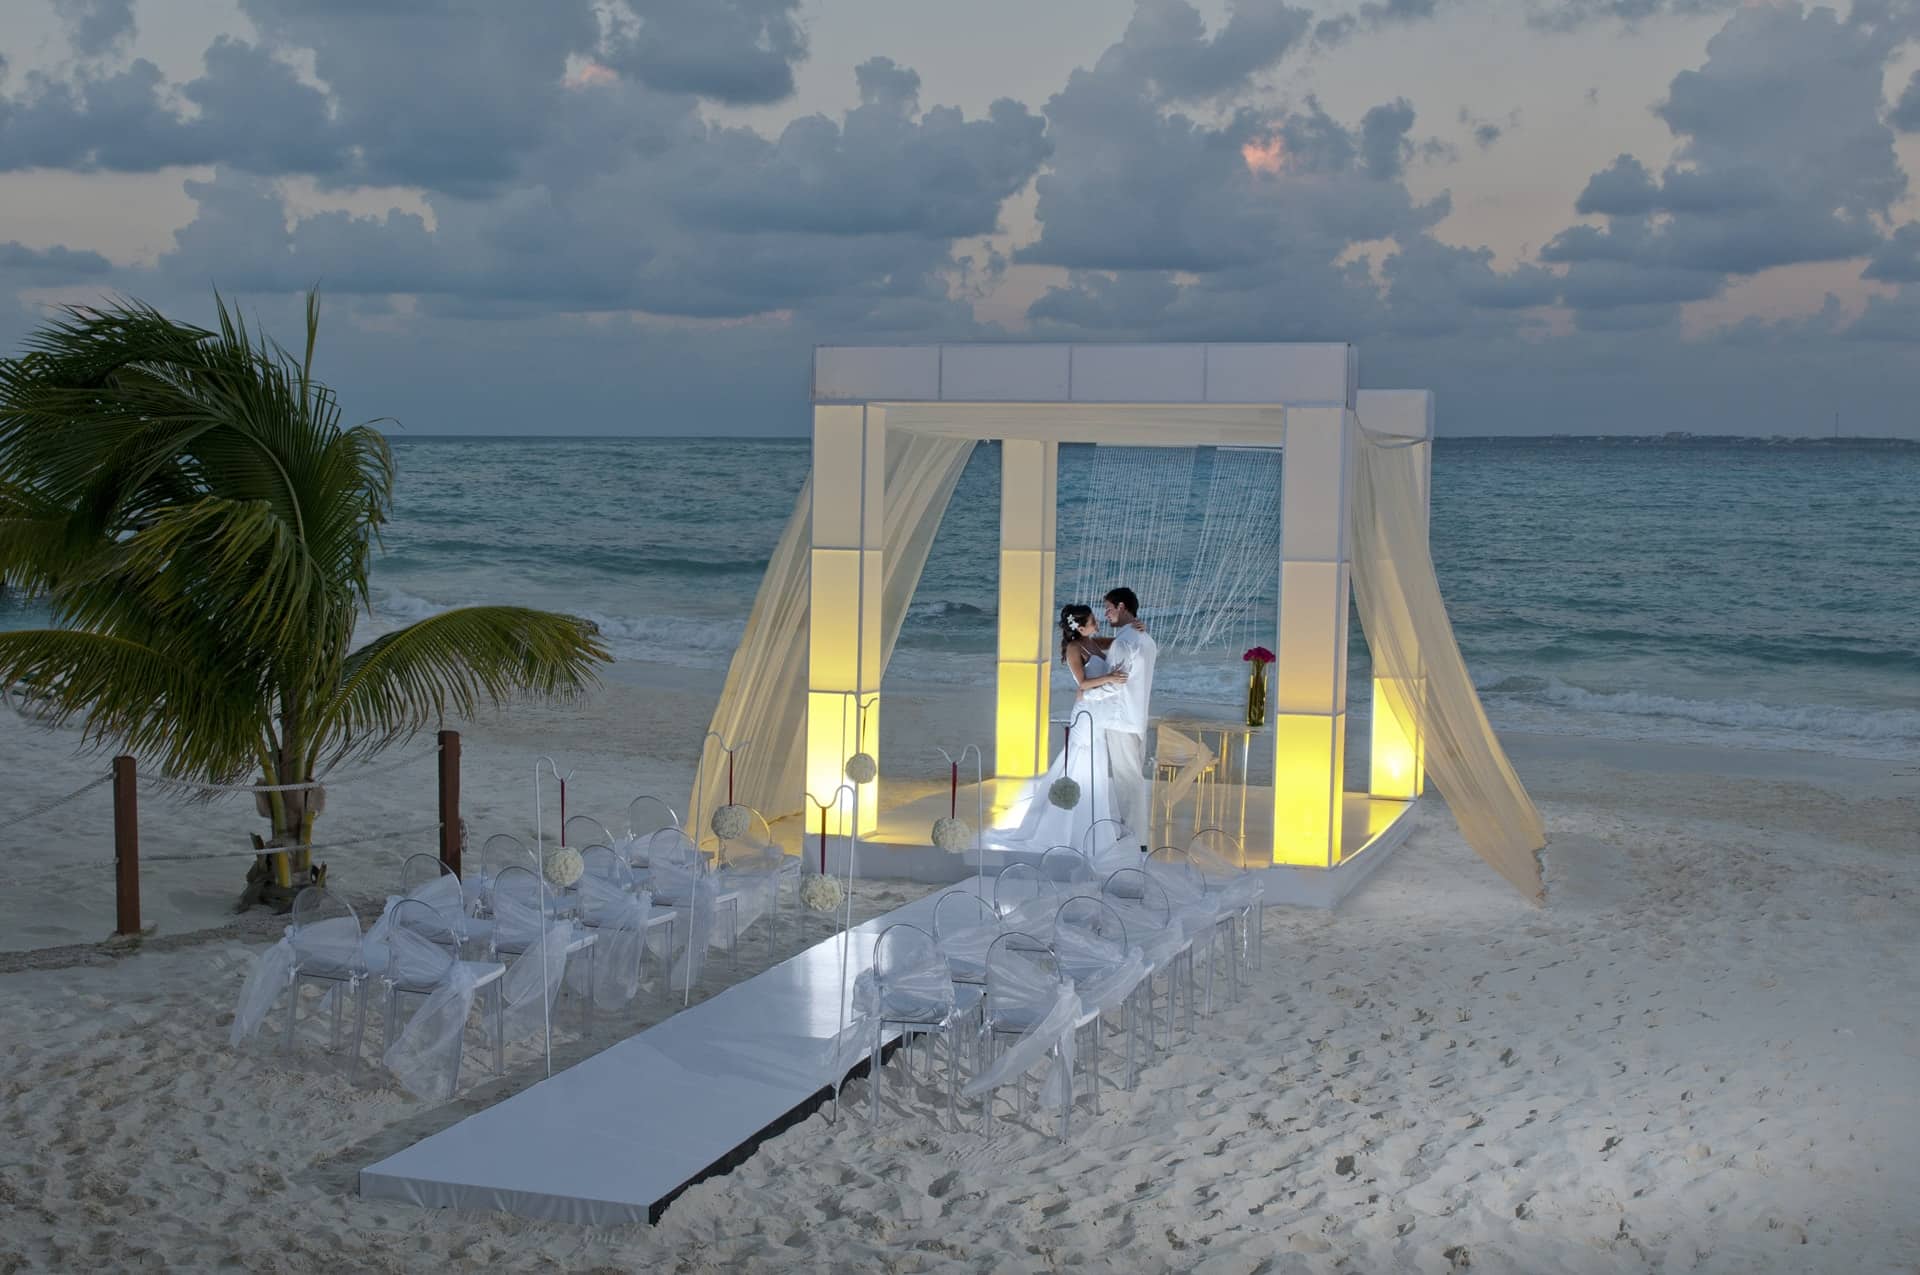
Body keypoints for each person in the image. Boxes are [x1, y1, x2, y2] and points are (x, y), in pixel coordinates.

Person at [990, 603, 1133, 853]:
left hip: (1098, 714)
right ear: (1079, 626)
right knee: (1079, 767)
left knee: (1097, 769)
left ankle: (1094, 827)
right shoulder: (1074, 649)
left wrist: (1133, 627)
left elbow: (1119, 640)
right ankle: (1063, 829)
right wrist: (1111, 678)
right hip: (1086, 713)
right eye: (1092, 621)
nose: (1097, 623)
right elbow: (1084, 683)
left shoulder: (1092, 642)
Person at [1081, 586, 1158, 853]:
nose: (1107, 613)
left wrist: (1086, 694)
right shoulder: (1145, 639)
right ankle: (1136, 838)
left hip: (1121, 720)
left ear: (1122, 607)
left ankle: (1134, 842)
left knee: (1127, 781)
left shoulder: (1125, 642)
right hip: (1135, 718)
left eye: (1109, 608)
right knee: (1132, 779)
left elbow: (1116, 683)